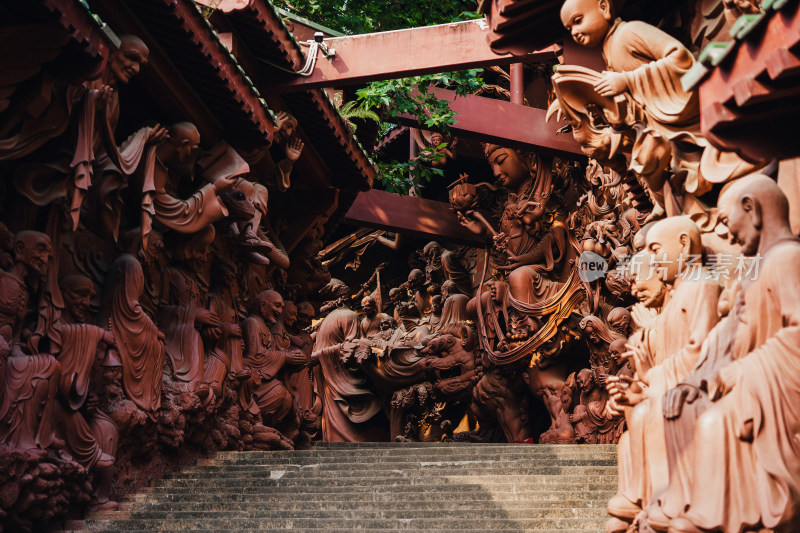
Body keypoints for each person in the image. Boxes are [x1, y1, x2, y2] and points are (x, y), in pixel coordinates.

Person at [658, 175, 800, 533]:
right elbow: (732, 336)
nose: (726, 235)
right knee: (683, 409)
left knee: (712, 422)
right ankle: (684, 501)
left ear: (751, 209)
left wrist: (747, 369)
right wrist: (698, 379)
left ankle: (718, 516)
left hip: (776, 387)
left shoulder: (787, 258)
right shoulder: (757, 270)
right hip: (755, 383)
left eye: (724, 221)